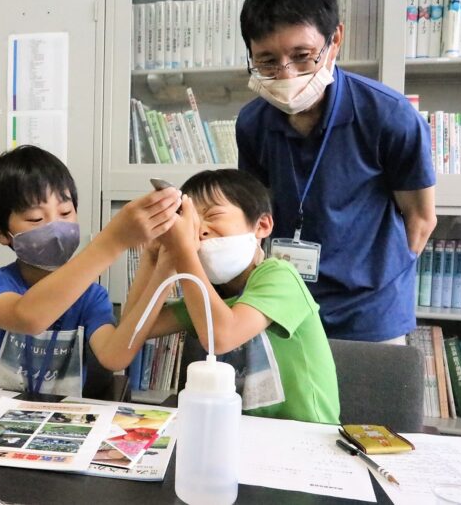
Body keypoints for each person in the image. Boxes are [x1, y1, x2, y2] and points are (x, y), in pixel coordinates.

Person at [236, 0, 436, 343]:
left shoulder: (389, 116)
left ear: (335, 40)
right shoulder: (252, 124)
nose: (287, 75)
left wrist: (377, 280)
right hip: (285, 307)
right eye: (267, 61)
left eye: (302, 55)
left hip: (370, 315)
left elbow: (421, 220)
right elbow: (252, 218)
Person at [0, 145, 181, 396]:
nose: (56, 227)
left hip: (57, 423)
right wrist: (112, 241)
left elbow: (115, 356)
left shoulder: (91, 297)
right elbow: (27, 317)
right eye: (36, 218)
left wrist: (159, 265)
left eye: (66, 212)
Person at [128, 169, 339, 424]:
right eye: (193, 223)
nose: (200, 231)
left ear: (262, 225)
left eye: (213, 215)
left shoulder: (280, 275)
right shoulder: (212, 296)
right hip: (244, 432)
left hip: (306, 435)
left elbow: (222, 336)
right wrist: (152, 258)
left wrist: (184, 252)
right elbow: (134, 328)